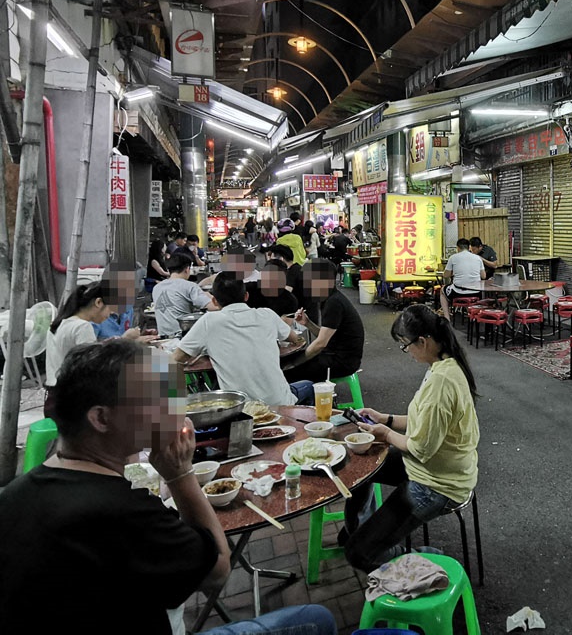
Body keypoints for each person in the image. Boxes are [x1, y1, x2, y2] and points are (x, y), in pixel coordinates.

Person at [0, 339, 337, 635]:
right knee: (316, 618)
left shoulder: (13, 494)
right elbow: (218, 571)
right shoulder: (121, 510)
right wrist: (178, 473)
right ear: (101, 418)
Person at [339, 304, 479, 572]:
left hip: (438, 484)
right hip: (430, 467)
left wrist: (386, 434)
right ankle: (363, 532)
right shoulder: (444, 365)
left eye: (405, 345)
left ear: (423, 341)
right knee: (360, 465)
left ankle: (434, 560)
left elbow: (421, 448)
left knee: (358, 554)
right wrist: (384, 418)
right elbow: (423, 423)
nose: (406, 352)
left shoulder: (442, 383)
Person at [171, 274, 312, 405]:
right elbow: (297, 340)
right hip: (280, 403)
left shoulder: (209, 321)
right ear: (246, 296)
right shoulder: (267, 315)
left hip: (240, 407)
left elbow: (176, 358)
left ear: (214, 300)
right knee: (309, 386)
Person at [285, 259, 365, 384]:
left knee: (288, 373)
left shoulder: (334, 303)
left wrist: (295, 363)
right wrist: (307, 323)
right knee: (287, 362)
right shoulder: (328, 298)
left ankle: (302, 401)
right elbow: (324, 335)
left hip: (343, 362)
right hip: (333, 354)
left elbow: (321, 343)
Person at [151, 254, 212, 336]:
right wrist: (209, 295)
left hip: (163, 336)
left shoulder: (157, 288)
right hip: (183, 337)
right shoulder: (189, 286)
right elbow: (212, 306)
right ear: (187, 269)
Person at [440, 238, 485, 320]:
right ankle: (472, 316)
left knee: (443, 290)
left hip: (458, 292)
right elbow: (484, 276)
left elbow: (446, 275)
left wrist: (454, 272)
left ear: (458, 248)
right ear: (469, 247)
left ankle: (447, 317)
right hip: (476, 292)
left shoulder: (453, 258)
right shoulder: (478, 258)